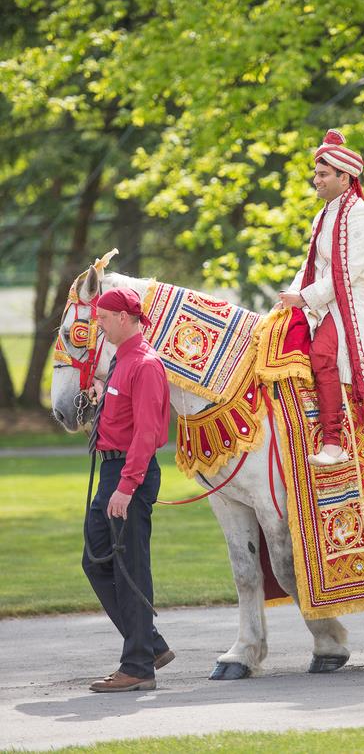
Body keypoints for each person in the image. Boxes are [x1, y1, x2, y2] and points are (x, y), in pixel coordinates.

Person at [277, 130, 364, 467]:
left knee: (322, 353)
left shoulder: (360, 214)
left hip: (353, 299)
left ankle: (334, 442)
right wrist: (291, 294)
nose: (316, 180)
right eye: (316, 173)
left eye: (323, 174)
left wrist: (304, 298)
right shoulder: (325, 213)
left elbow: (349, 271)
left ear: (345, 177)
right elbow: (312, 263)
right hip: (326, 298)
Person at [83, 287, 174, 692]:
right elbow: (125, 413)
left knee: (130, 567)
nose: (98, 325)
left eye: (102, 318)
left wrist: (127, 485)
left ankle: (138, 666)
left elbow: (148, 433)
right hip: (111, 473)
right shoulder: (121, 362)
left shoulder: (146, 364)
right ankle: (148, 644)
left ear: (123, 317)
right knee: (96, 560)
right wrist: (102, 398)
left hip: (128, 477)